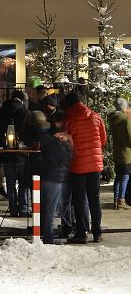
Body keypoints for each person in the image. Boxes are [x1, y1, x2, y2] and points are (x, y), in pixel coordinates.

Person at [61, 92, 107, 244]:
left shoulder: (70, 119)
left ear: (68, 106)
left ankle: (81, 233)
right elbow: (103, 139)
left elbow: (67, 143)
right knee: (95, 199)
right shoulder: (95, 116)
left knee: (79, 200)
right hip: (95, 164)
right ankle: (97, 233)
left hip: (78, 165)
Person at [27, 109, 72, 244]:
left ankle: (39, 233)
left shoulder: (27, 138)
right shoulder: (51, 139)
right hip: (52, 176)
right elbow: (64, 157)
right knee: (49, 210)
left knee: (38, 207)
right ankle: (48, 238)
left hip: (35, 176)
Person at [0, 89, 30, 216]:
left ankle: (12, 208)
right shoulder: (25, 112)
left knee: (11, 183)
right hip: (22, 153)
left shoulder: (0, 112)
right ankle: (23, 209)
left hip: (5, 153)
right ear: (21, 100)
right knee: (24, 183)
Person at [107, 97, 131, 210]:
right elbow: (130, 136)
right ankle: (121, 200)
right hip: (126, 152)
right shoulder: (125, 119)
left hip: (117, 151)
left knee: (118, 176)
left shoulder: (113, 119)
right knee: (125, 176)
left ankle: (116, 200)